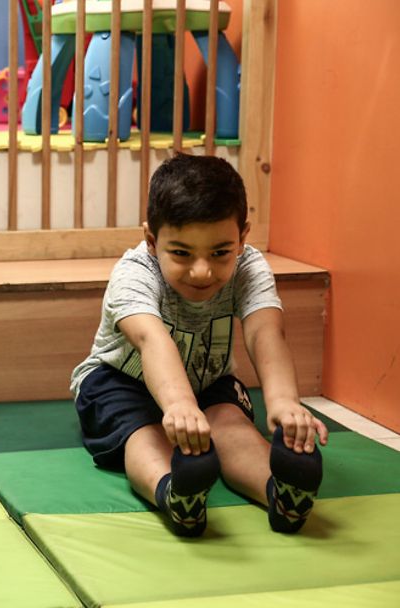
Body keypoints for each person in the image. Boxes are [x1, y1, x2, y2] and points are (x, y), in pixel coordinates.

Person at [70, 154, 327, 537]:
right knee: (143, 433)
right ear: (152, 240)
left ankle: (280, 495)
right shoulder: (134, 274)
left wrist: (284, 402)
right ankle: (174, 493)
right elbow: (150, 339)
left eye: (220, 252)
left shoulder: (250, 268)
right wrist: (178, 406)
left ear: (242, 237)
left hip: (207, 380)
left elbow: (265, 332)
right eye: (182, 253)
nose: (202, 271)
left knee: (231, 424)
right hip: (120, 381)